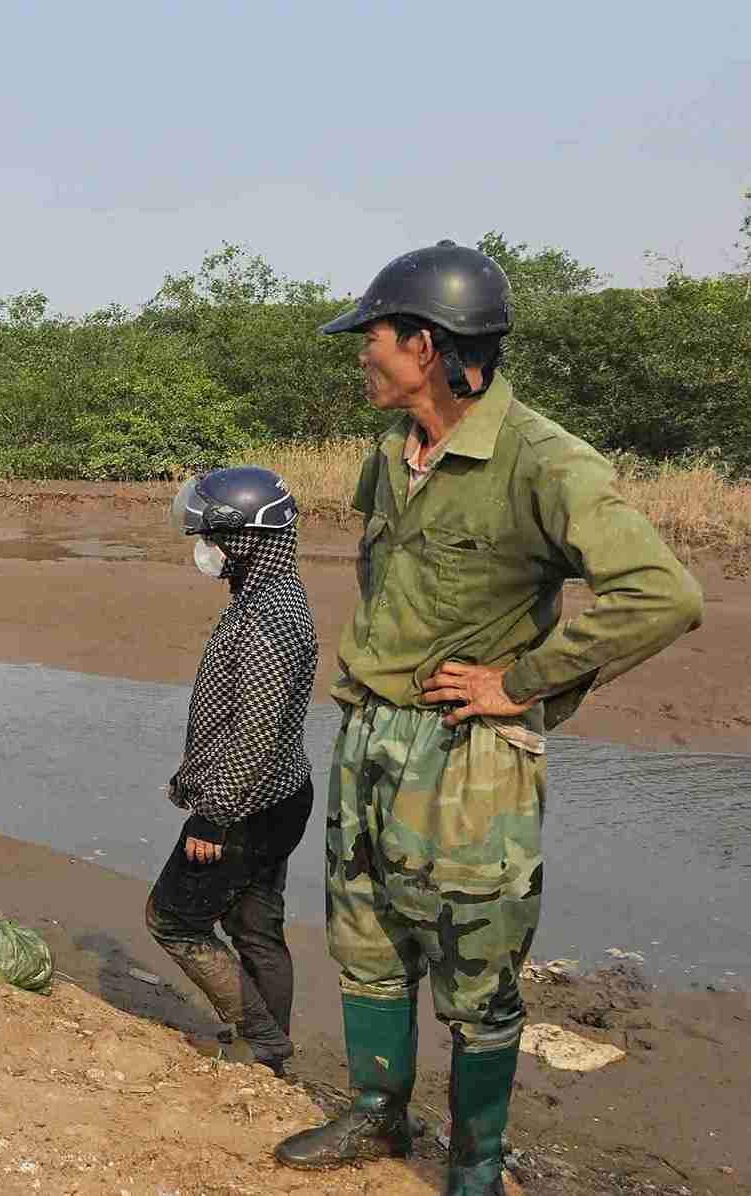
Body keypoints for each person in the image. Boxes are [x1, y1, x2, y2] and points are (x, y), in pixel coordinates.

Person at [274, 242, 704, 1195]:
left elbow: (661, 595)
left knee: (476, 965)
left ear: (425, 344)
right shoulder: (391, 452)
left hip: (469, 757)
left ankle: (474, 1165)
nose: (362, 354)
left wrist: (524, 682)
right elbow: (391, 579)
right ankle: (377, 1116)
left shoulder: (547, 460)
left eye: (374, 337)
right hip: (371, 733)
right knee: (367, 937)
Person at [144, 466, 318, 1077]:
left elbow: (256, 731)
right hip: (281, 795)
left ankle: (262, 1039)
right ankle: (270, 1051)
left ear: (246, 538)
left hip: (247, 804)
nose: (206, 550)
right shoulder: (269, 598)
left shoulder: (269, 618)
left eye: (214, 537)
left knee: (172, 918)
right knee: (255, 925)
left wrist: (212, 817)